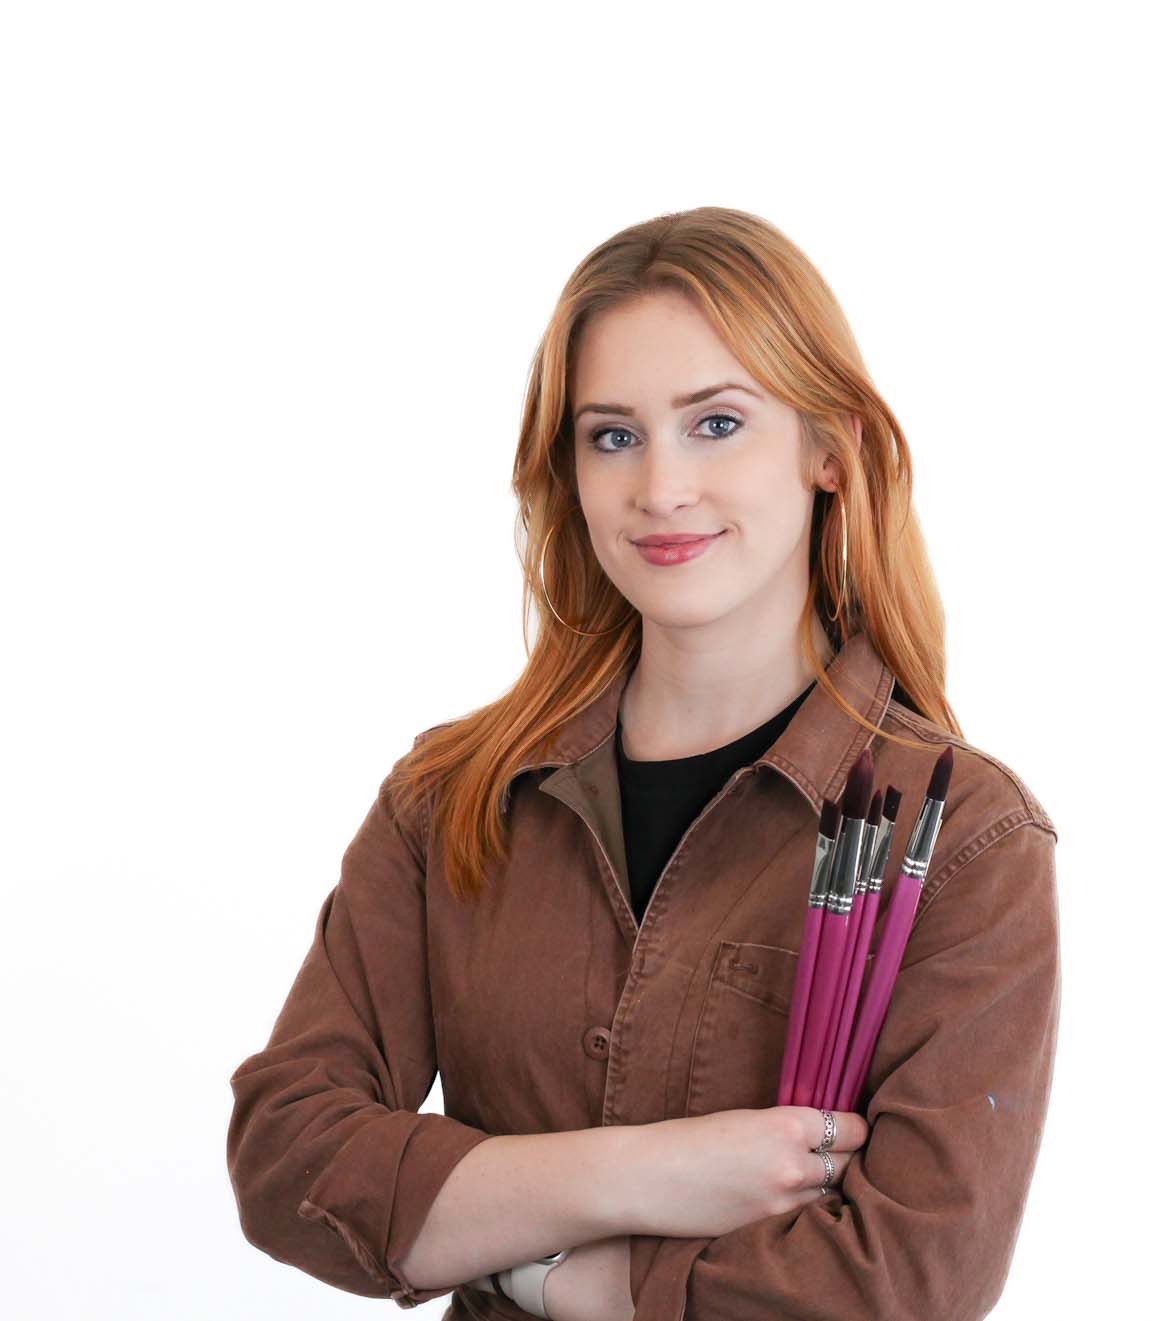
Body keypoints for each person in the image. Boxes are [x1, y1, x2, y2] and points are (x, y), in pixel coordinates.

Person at [227, 206, 1061, 1321]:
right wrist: (658, 1170)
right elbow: (288, 1154)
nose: (660, 489)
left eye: (716, 424)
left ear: (829, 448)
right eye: (612, 435)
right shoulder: (450, 798)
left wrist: (539, 1265)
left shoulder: (961, 835)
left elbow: (903, 1284)